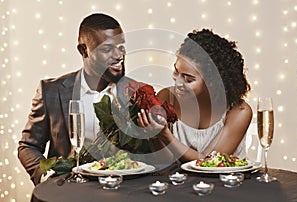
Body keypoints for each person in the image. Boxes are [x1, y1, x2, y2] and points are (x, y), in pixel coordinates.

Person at [18, 13, 130, 185]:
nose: (118, 55)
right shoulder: (52, 92)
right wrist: (46, 175)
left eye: (121, 46)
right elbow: (28, 146)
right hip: (69, 191)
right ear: (84, 50)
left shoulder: (135, 92)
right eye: (107, 49)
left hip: (123, 191)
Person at [138, 29, 252, 162]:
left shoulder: (239, 112)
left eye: (188, 79)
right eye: (176, 72)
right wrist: (156, 135)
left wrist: (167, 136)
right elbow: (166, 165)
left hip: (228, 182)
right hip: (180, 181)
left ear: (212, 83)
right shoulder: (167, 98)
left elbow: (208, 162)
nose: (178, 83)